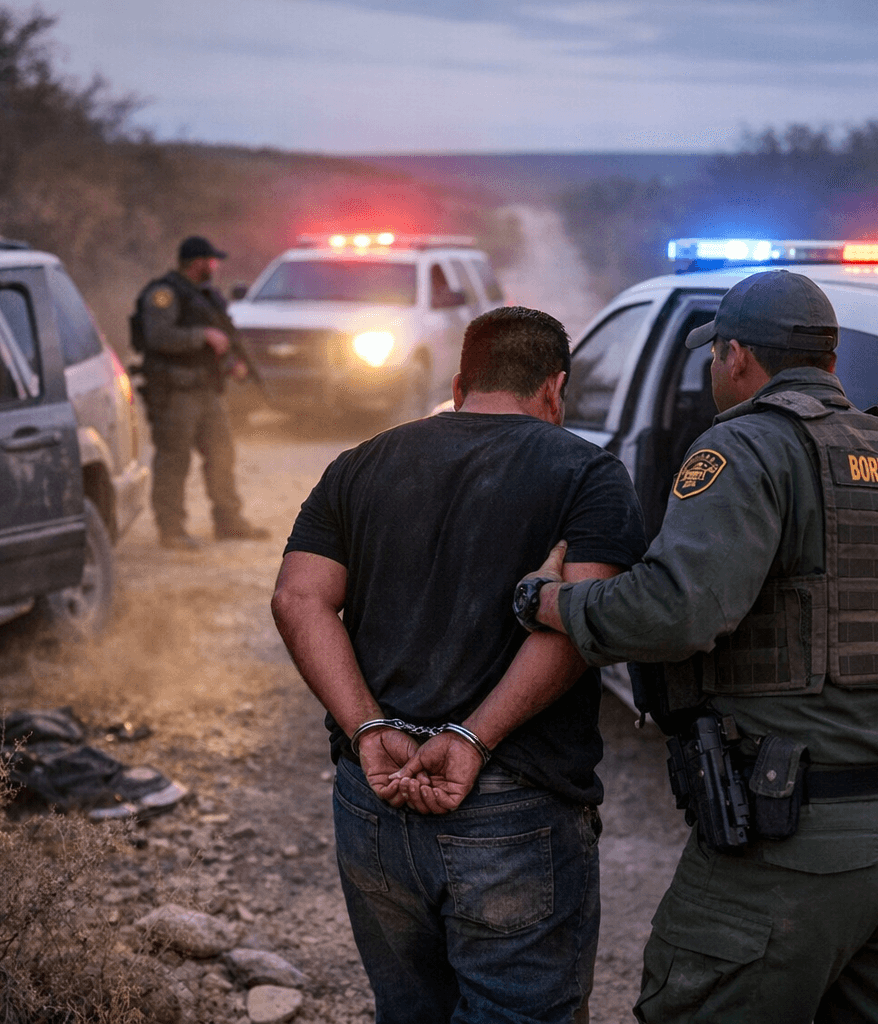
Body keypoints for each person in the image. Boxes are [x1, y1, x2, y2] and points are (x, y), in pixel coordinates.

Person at [517, 270, 878, 1024]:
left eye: (714, 355)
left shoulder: (747, 448)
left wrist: (549, 601)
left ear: (736, 356)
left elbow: (674, 614)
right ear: (831, 360)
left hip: (799, 838)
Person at [270, 306, 648, 1024]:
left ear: (459, 381)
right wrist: (472, 739)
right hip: (511, 805)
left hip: (372, 798)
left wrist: (368, 729)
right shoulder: (587, 474)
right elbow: (580, 623)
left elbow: (298, 600)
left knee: (408, 1010)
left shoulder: (361, 462)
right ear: (554, 388)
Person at [134, 235, 268, 549]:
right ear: (197, 263)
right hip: (175, 391)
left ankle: (229, 521)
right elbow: (157, 336)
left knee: (222, 456)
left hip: (208, 390)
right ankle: (171, 530)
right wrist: (201, 336)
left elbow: (222, 338)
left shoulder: (205, 296)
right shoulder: (164, 294)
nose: (215, 267)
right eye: (211, 261)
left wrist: (232, 363)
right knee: (173, 460)